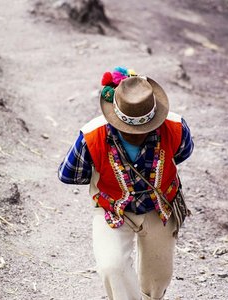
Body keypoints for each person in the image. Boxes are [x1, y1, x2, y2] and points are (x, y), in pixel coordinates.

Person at [58, 66, 194, 300]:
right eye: (129, 129)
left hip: (159, 207)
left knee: (158, 278)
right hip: (112, 207)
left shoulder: (176, 127)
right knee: (112, 267)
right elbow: (69, 173)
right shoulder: (91, 135)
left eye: (142, 128)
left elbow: (181, 153)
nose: (136, 133)